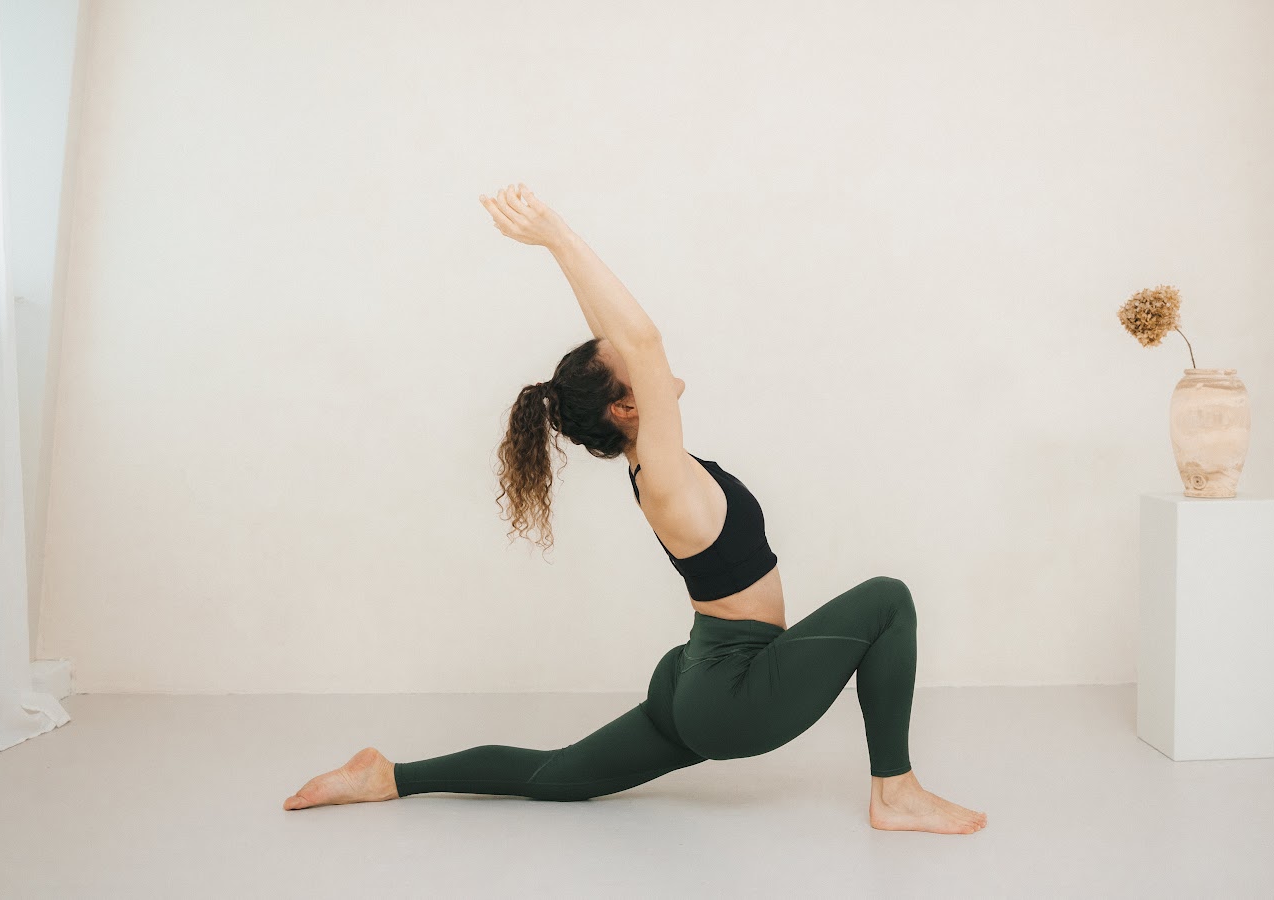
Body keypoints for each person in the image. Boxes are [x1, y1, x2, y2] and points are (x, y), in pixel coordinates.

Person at [282, 184, 987, 834]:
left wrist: (565, 267)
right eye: (630, 369)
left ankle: (387, 776)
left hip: (694, 677)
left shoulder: (652, 465)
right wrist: (557, 236)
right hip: (732, 694)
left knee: (556, 774)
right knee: (887, 600)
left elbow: (623, 345)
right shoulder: (666, 477)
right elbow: (640, 340)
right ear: (627, 407)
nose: (643, 355)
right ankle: (894, 791)